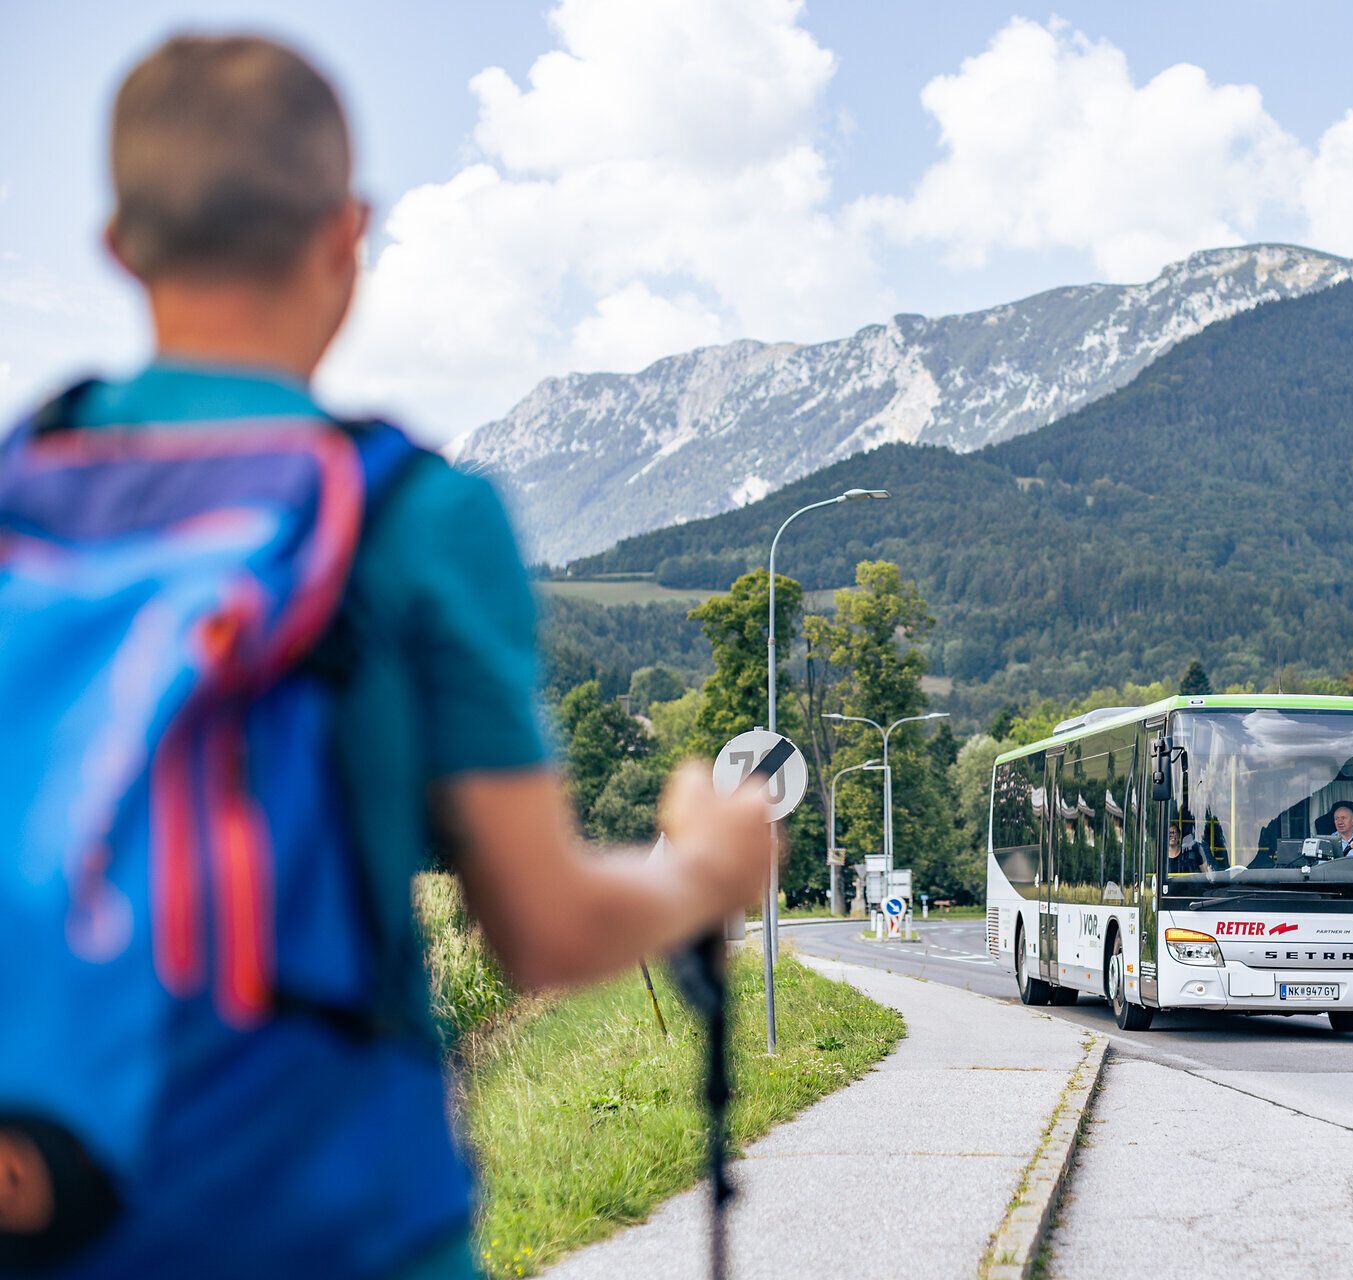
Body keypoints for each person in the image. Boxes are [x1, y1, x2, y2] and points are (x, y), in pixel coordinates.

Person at [0, 34, 775, 1279]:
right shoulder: (410, 515)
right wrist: (706, 867)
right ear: (346, 233)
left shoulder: (21, 498)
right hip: (343, 1229)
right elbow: (545, 927)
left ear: (119, 246)